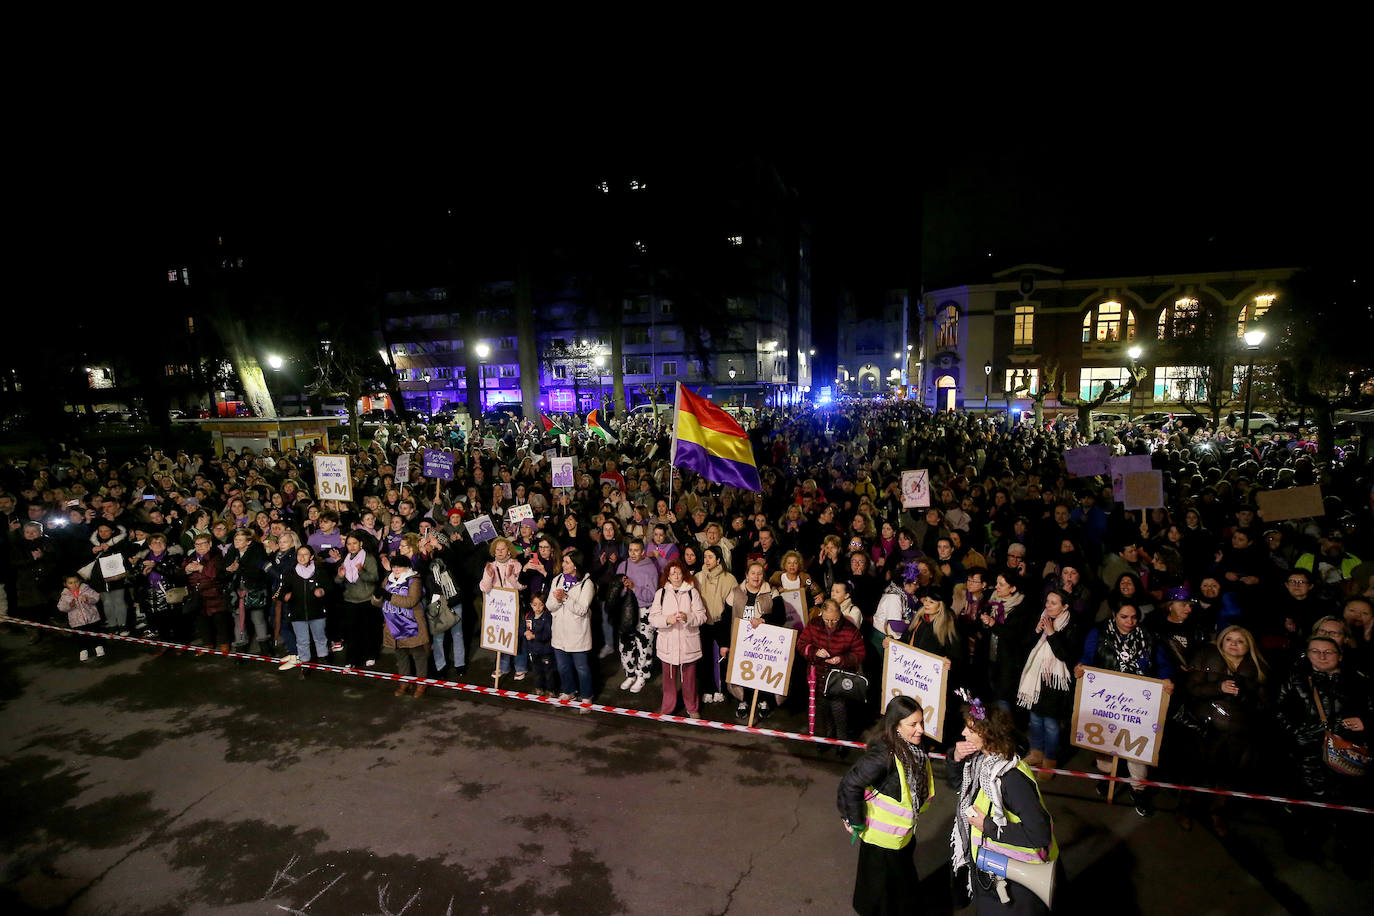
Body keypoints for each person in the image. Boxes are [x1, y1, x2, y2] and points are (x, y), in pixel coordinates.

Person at [949, 695, 1058, 915]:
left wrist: (986, 825)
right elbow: (957, 783)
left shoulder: (1012, 779)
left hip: (1016, 879)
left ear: (987, 734)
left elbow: (1039, 834)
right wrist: (955, 758)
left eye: (970, 729)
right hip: (996, 870)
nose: (963, 733)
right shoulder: (985, 762)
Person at [1274, 634, 1370, 868]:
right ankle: (1307, 847)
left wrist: (1366, 722)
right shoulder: (1294, 679)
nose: (1322, 656)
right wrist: (1297, 733)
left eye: (1328, 651)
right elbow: (1278, 711)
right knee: (1310, 804)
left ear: (1340, 655)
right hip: (1307, 754)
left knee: (1348, 806)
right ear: (1307, 654)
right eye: (1315, 651)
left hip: (1346, 754)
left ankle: (1348, 853)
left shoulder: (1358, 680)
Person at [836, 696, 934, 916]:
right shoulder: (883, 755)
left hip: (902, 838)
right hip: (882, 843)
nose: (920, 730)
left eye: (921, 723)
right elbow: (850, 783)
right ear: (896, 726)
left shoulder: (912, 748)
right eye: (913, 724)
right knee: (881, 896)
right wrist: (854, 820)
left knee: (898, 891)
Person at [1076, 603, 1175, 816]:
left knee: (1136, 748)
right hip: (1105, 699)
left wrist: (1166, 678)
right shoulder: (1099, 634)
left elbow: (1163, 664)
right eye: (1124, 616)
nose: (1129, 622)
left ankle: (1139, 790)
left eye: (1133, 617)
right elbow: (1087, 656)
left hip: (1137, 702)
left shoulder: (1149, 637)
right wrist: (1081, 666)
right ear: (1114, 615)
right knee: (1104, 743)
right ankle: (1108, 777)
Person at [1182, 625, 1269, 835]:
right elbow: (1191, 688)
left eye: (1240, 641)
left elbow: (1263, 705)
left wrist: (1244, 695)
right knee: (1198, 770)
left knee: (1228, 776)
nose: (1234, 644)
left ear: (1248, 646)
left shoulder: (1258, 669)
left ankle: (1217, 814)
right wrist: (1218, 688)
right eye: (1229, 639)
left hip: (1240, 732)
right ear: (1221, 641)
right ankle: (1185, 809)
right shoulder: (1207, 656)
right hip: (1207, 728)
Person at [1015, 589, 1078, 781]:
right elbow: (1024, 645)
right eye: (1047, 602)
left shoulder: (1071, 625)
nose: (1048, 606)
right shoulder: (1041, 618)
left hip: (1055, 683)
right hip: (1036, 680)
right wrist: (1036, 631)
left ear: (1065, 606)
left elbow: (1066, 655)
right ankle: (1036, 753)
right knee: (1034, 719)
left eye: (1054, 603)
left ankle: (1050, 762)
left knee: (1051, 724)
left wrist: (1051, 634)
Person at [801, 598, 866, 746]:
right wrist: (815, 652)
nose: (830, 623)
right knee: (822, 711)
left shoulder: (850, 629)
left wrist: (841, 659)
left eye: (834, 620)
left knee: (839, 710)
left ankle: (842, 743)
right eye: (826, 620)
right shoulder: (814, 624)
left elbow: (860, 653)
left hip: (838, 680)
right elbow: (801, 644)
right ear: (821, 614)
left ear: (840, 614)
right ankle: (824, 738)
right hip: (818, 677)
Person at [648, 559, 708, 718]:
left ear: (683, 575)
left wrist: (688, 617)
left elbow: (702, 616)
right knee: (668, 681)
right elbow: (653, 618)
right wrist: (667, 620)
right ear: (667, 576)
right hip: (667, 644)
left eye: (678, 572)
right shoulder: (660, 594)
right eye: (672, 573)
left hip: (688, 643)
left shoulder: (692, 592)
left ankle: (692, 707)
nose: (675, 576)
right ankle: (667, 708)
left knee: (689, 680)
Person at [547, 549, 596, 711]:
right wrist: (558, 600)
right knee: (563, 666)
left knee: (581, 668)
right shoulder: (556, 580)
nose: (563, 565)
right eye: (563, 561)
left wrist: (566, 598)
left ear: (576, 565)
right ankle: (568, 691)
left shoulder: (587, 584)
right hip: (559, 631)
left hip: (577, 634)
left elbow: (582, 610)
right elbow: (549, 606)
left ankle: (586, 697)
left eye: (567, 562)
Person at [378, 553, 430, 696]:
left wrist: (388, 596)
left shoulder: (414, 580)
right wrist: (377, 596)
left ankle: (421, 684)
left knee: (418, 655)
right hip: (393, 624)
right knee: (401, 655)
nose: (396, 569)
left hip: (412, 624)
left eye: (399, 566)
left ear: (407, 567)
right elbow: (377, 602)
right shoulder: (387, 580)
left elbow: (411, 601)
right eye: (394, 566)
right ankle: (404, 683)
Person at [278, 545, 334, 676]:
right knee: (302, 640)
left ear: (312, 556)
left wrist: (322, 591)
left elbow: (330, 587)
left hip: (317, 611)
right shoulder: (290, 572)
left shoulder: (320, 571)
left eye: (305, 554)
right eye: (299, 554)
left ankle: (323, 657)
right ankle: (305, 663)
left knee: (320, 637)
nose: (302, 557)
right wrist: (285, 596)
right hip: (297, 612)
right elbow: (281, 590)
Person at [335, 532, 381, 669]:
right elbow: (338, 580)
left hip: (366, 599)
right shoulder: (346, 559)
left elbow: (374, 578)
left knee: (367, 630)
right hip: (350, 599)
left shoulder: (369, 558)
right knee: (351, 632)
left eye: (354, 543)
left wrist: (361, 571)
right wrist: (340, 576)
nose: (352, 546)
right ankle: (351, 659)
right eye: (349, 544)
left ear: (361, 543)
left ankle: (370, 655)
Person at [57, 573, 104, 662]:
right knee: (80, 636)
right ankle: (83, 650)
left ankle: (98, 646)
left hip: (92, 617)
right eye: (70, 583)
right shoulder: (65, 595)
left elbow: (96, 597)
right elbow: (61, 607)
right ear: (65, 584)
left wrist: (88, 600)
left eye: (76, 582)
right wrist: (69, 606)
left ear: (80, 581)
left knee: (95, 633)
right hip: (76, 621)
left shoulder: (86, 589)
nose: (74, 584)